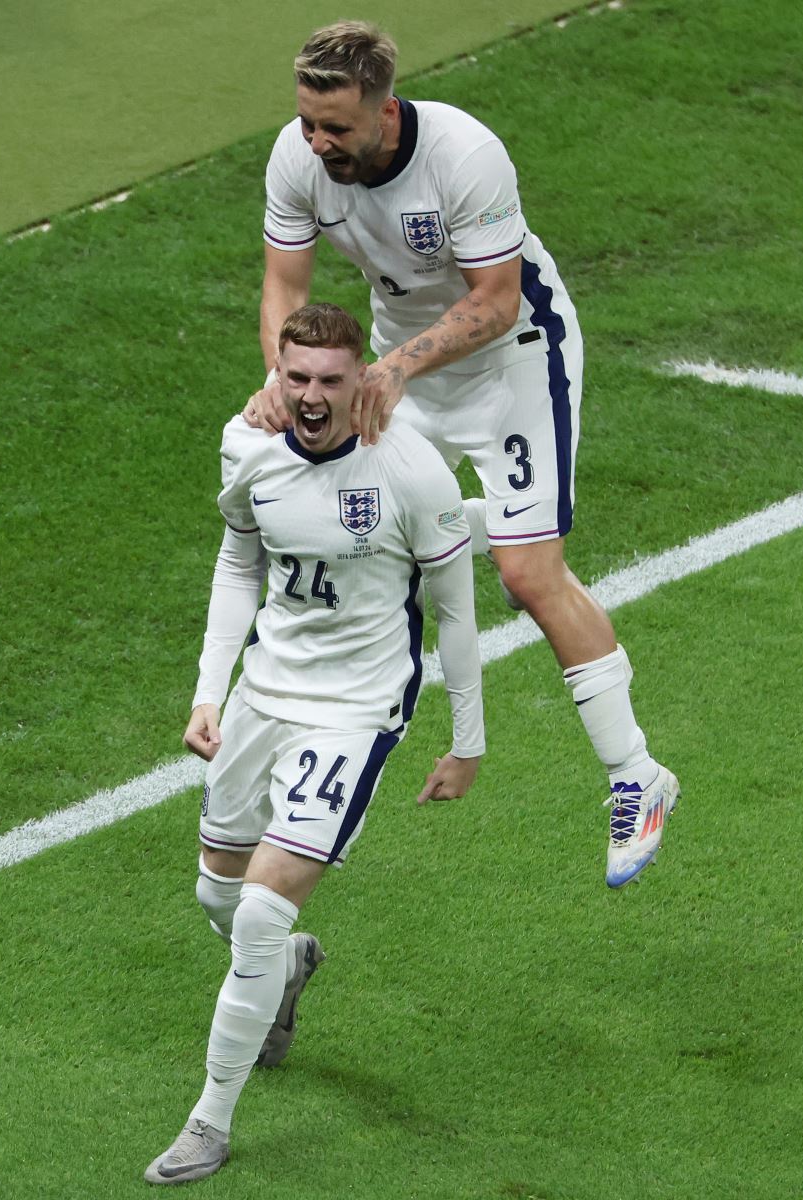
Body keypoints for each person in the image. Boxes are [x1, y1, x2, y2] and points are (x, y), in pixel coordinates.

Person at [244, 20, 678, 890]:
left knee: (527, 573)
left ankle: (637, 774)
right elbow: (286, 285)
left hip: (513, 357)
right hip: (400, 363)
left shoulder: (464, 155)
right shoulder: (296, 162)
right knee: (355, 528)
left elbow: (496, 297)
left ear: (384, 110)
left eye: (337, 127)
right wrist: (283, 384)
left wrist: (394, 369)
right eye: (307, 123)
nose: (318, 142)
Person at [146, 303, 484, 1186]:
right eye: (295, 377)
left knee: (258, 914)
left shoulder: (411, 472)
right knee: (217, 897)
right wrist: (209, 692)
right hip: (265, 695)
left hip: (356, 710)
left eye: (330, 379)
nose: (309, 396)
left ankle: (209, 1121)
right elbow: (238, 560)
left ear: (361, 375)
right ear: (279, 374)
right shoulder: (248, 443)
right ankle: (293, 969)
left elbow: (453, 609)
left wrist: (466, 739)